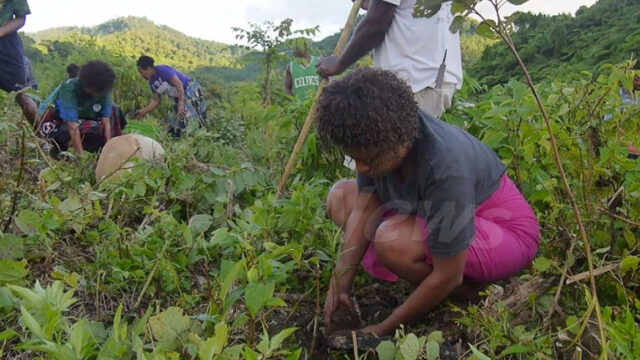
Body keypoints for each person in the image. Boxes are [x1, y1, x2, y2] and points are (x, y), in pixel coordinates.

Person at [318, 68, 540, 336]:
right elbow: (365, 208)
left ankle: (473, 296)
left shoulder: (444, 166)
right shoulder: (378, 132)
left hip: (505, 231)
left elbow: (449, 273)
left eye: (371, 160)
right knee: (341, 197)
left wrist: (383, 328)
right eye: (356, 158)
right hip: (437, 213)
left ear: (399, 142)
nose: (362, 168)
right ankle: (424, 276)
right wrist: (340, 285)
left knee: (392, 242)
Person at [316, 0, 462, 119]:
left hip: (414, 82)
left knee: (367, 149)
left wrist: (339, 63)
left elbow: (376, 24)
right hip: (434, 79)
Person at [38, 60, 118, 155]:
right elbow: (72, 126)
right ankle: (60, 149)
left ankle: (101, 151)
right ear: (85, 85)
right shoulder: (69, 89)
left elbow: (106, 121)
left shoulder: (103, 89)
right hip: (60, 123)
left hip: (86, 121)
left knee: (115, 111)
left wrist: (108, 148)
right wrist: (80, 159)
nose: (98, 95)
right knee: (91, 130)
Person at [135, 55, 207, 137]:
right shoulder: (152, 83)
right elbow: (156, 100)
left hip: (190, 90)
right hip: (178, 97)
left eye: (142, 73)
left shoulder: (163, 70)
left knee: (192, 118)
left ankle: (199, 136)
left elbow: (179, 85)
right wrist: (143, 111)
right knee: (175, 123)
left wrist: (181, 104)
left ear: (148, 68)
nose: (141, 76)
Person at [0, 0, 37, 124]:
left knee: (21, 92)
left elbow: (21, 18)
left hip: (6, 43)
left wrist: (1, 31)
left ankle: (43, 137)